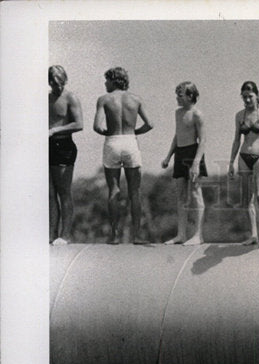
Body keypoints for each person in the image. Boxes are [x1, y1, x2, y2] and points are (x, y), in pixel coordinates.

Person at [93, 67, 153, 245]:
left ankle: (114, 235)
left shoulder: (104, 99)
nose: (105, 83)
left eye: (107, 80)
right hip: (130, 141)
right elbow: (150, 124)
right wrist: (134, 132)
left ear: (114, 80)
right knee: (135, 191)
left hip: (112, 141)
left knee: (114, 189)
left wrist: (108, 133)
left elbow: (96, 126)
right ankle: (138, 235)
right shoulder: (136, 99)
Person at [228, 81, 259, 250]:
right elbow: (236, 140)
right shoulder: (239, 115)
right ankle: (253, 235)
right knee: (247, 198)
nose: (247, 100)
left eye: (250, 96)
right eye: (244, 97)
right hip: (243, 156)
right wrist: (231, 162)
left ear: (257, 95)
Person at [161, 81, 207, 245]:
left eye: (180, 95)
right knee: (180, 195)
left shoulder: (197, 114)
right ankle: (181, 234)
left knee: (195, 193)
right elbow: (177, 135)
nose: (177, 98)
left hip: (193, 153)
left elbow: (202, 140)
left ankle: (198, 235)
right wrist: (168, 156)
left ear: (190, 96)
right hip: (180, 153)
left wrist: (196, 162)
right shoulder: (178, 113)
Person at [48, 65, 83, 245]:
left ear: (65, 81)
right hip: (47, 146)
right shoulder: (45, 98)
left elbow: (79, 124)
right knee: (49, 193)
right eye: (53, 83)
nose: (57, 87)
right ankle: (52, 234)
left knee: (64, 192)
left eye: (60, 83)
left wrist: (55, 130)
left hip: (64, 146)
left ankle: (66, 234)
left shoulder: (71, 98)